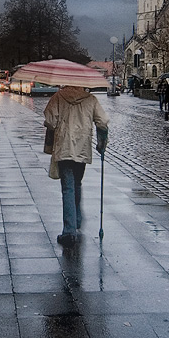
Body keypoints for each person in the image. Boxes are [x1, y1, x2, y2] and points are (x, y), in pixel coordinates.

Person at [44, 84, 109, 245]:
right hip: (82, 147)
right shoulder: (91, 99)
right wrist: (101, 143)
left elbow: (50, 121)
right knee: (77, 183)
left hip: (64, 146)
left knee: (68, 187)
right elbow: (102, 122)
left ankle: (69, 231)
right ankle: (77, 219)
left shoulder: (58, 97)